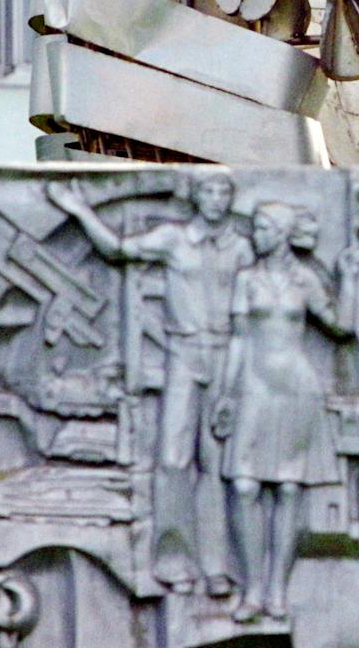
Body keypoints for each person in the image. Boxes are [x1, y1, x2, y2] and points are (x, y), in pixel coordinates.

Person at [45, 174, 247, 594]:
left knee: (215, 466)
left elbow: (250, 316)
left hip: (226, 355)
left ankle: (217, 568)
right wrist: (79, 210)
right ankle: (172, 560)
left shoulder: (242, 248)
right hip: (183, 356)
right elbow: (118, 250)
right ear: (195, 195)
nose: (215, 198)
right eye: (209, 190)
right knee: (173, 460)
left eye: (223, 191)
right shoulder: (173, 239)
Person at [212, 202, 358, 622]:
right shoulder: (248, 280)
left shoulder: (305, 280)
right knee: (243, 485)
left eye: (263, 227)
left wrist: (348, 279)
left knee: (289, 489)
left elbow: (341, 328)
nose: (256, 234)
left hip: (297, 388)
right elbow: (238, 341)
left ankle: (277, 589)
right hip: (254, 389)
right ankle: (252, 587)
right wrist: (225, 394)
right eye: (255, 226)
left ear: (281, 232)